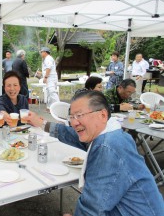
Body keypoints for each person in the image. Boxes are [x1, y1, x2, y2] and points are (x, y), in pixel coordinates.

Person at [25, 91, 164, 216]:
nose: (74, 122)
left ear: (103, 115)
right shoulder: (111, 132)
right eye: (71, 116)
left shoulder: (108, 147)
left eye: (79, 115)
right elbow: (72, 134)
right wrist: (41, 123)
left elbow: (92, 209)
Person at [40, 47, 60, 111]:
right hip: (49, 77)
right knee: (49, 93)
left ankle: (59, 106)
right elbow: (47, 69)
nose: (41, 53)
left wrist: (45, 77)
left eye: (41, 52)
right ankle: (50, 107)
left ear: (45, 52)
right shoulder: (46, 59)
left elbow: (49, 68)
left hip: (50, 78)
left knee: (52, 92)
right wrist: (41, 73)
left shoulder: (48, 58)